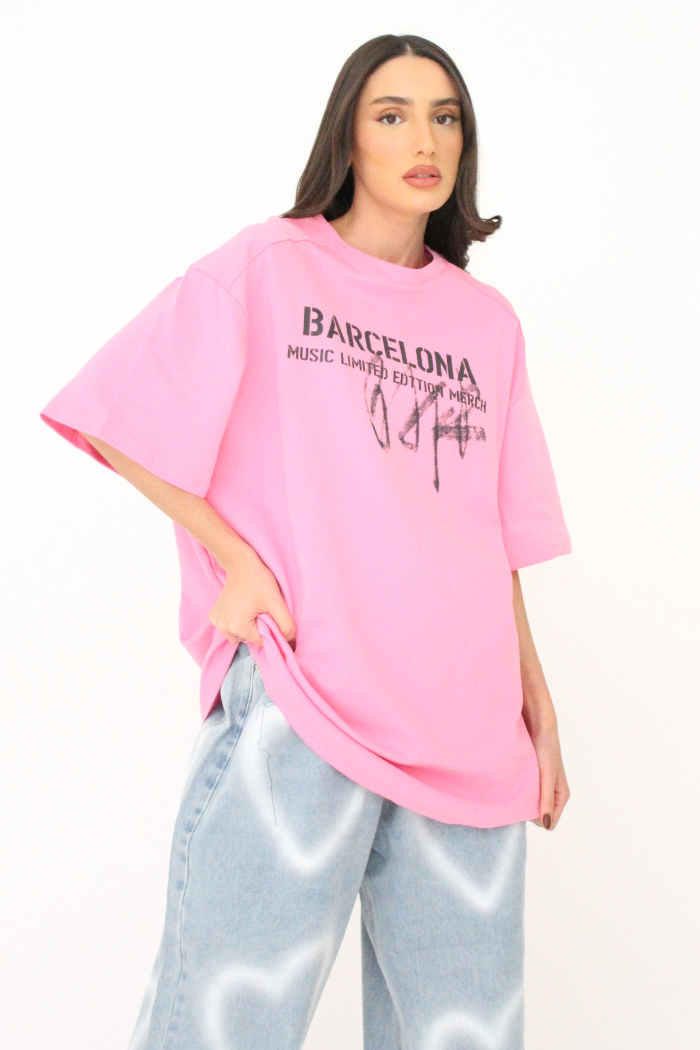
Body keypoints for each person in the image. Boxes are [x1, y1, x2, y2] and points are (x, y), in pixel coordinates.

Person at [40, 33, 571, 1050]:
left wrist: (536, 706)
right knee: (222, 1028)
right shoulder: (270, 267)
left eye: (444, 117)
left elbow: (489, 535)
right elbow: (118, 414)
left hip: (465, 729)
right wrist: (236, 560)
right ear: (348, 136)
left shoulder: (486, 323)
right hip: (308, 702)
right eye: (392, 115)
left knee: (463, 1037)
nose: (424, 140)